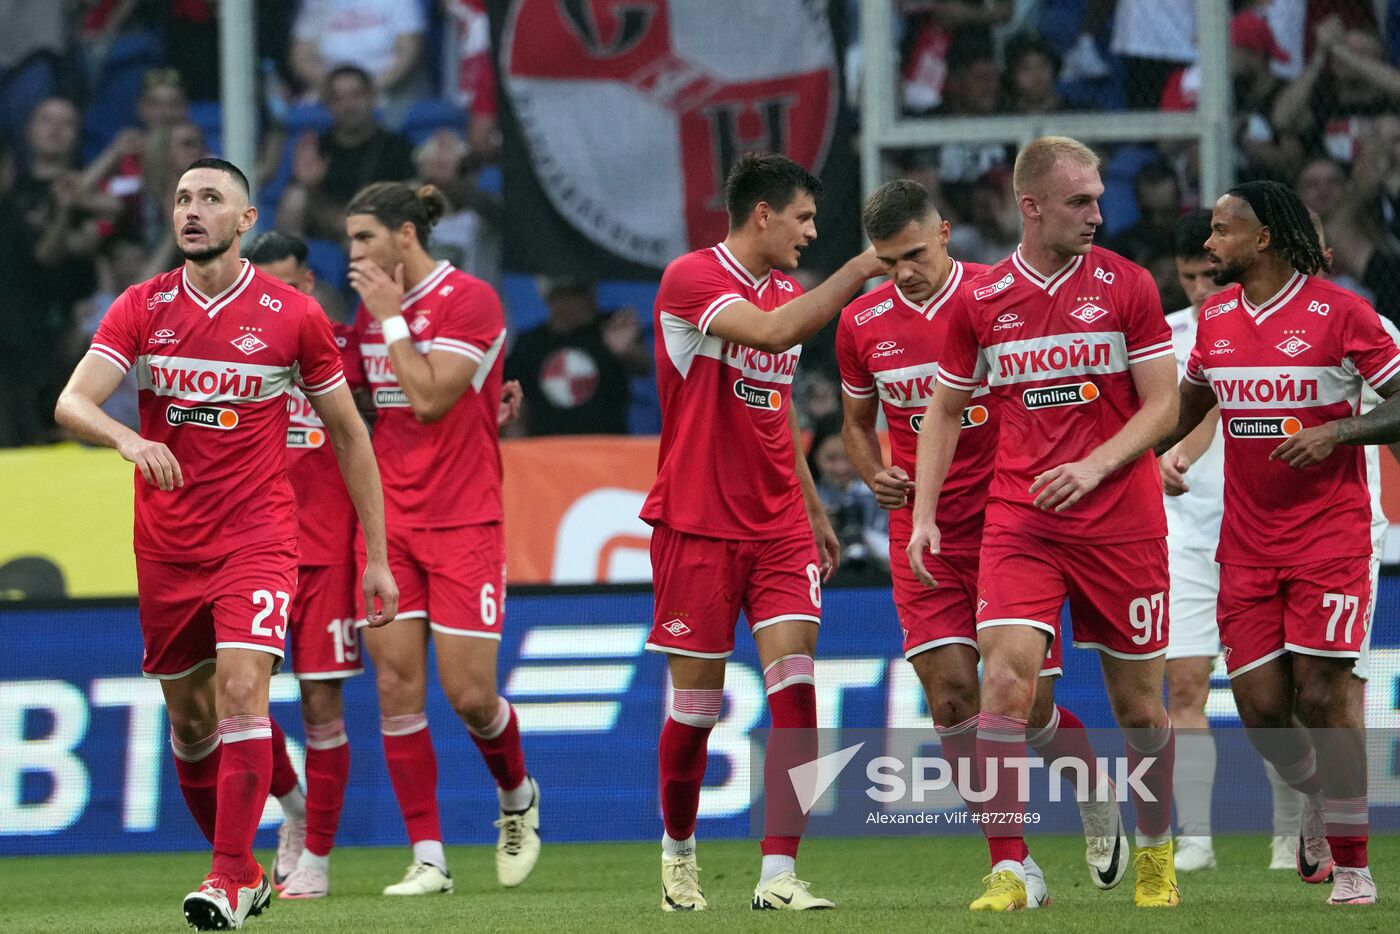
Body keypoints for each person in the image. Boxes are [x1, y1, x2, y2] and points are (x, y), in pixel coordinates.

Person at [53, 157, 398, 930]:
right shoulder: (141, 308)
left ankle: (224, 878)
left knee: (244, 691)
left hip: (258, 538)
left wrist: (376, 557)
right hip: (167, 545)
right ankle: (242, 867)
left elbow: (349, 436)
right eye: (181, 199)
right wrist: (125, 439)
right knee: (190, 721)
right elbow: (72, 401)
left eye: (210, 198)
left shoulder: (292, 317)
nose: (191, 210)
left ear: (245, 221)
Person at [908, 136, 1182, 910]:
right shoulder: (983, 299)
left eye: (1098, 197)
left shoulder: (1128, 286)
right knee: (1003, 684)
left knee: (1139, 710)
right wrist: (924, 514)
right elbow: (945, 408)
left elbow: (1162, 401)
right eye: (1079, 201)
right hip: (1022, 518)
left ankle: (1157, 850)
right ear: (1031, 206)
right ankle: (1011, 869)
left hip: (1123, 522)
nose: (1099, 212)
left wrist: (1098, 465)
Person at [838, 178, 1128, 907]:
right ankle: (1013, 865)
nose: (903, 270)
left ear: (944, 232)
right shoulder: (860, 323)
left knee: (1026, 710)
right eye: (887, 259)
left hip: (1013, 525)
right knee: (951, 702)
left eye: (912, 252)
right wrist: (875, 471)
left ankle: (1091, 787)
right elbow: (854, 422)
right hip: (923, 532)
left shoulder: (998, 301)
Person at [642, 152, 883, 911]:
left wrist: (812, 511)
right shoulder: (692, 280)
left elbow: (772, 410)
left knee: (797, 691)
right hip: (698, 523)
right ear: (763, 215)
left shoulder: (786, 290)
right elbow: (774, 337)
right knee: (695, 713)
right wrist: (864, 268)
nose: (811, 232)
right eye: (805, 218)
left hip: (778, 524)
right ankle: (679, 852)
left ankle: (778, 874)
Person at [1163, 180, 1398, 907]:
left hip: (1331, 536)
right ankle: (1322, 802)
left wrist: (1339, 430)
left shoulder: (1343, 314)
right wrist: (1124, 455)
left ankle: (1354, 868)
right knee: (1264, 711)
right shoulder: (1219, 316)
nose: (1209, 244)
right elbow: (1189, 405)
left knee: (1326, 696)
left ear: (1262, 238)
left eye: (1221, 230)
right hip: (1247, 542)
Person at [346, 180, 540, 896]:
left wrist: (392, 321)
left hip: (464, 522)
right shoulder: (368, 320)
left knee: (470, 697)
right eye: (348, 243)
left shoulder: (470, 300)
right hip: (389, 526)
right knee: (397, 689)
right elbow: (367, 405)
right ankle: (428, 856)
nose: (355, 255)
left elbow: (427, 399)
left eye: (364, 238)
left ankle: (517, 795)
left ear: (405, 235)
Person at [240, 231, 360, 900]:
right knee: (240, 696)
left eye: (284, 286)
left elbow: (402, 414)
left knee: (322, 705)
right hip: (251, 548)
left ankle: (315, 855)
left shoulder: (344, 351)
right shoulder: (238, 348)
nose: (272, 300)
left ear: (308, 284)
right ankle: (293, 804)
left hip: (324, 556)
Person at [1155, 210, 1227, 873]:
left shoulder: (1259, 333)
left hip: (1267, 528)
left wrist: (1179, 445)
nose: (1202, 290)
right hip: (1184, 534)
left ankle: (1295, 827)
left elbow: (1217, 407)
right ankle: (1197, 838)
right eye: (1188, 278)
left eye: (1210, 273)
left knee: (1287, 696)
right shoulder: (1163, 338)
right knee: (1183, 688)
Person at [278, 65, 416, 241]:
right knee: (295, 198)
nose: (348, 106)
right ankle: (288, 263)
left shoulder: (396, 146)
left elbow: (409, 200)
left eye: (356, 96)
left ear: (372, 98)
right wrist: (308, 186)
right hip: (323, 225)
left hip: (377, 230)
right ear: (327, 104)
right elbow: (298, 205)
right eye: (338, 98)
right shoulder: (317, 147)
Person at [505, 279, 650, 435]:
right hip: (547, 449)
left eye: (584, 291)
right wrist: (517, 445)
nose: (584, 300)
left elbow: (642, 367)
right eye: (571, 293)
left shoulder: (611, 328)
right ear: (551, 299)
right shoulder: (530, 343)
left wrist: (627, 352)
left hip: (606, 447)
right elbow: (516, 401)